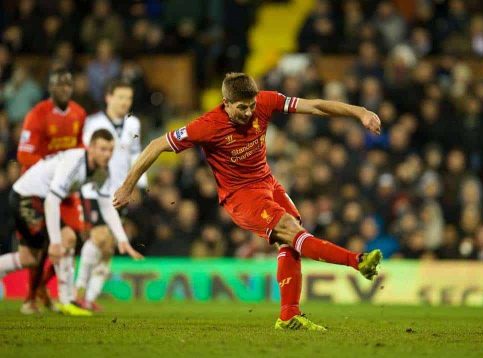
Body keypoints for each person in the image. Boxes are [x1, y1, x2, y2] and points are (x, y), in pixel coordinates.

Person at [113, 73, 383, 330]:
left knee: (291, 237)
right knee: (291, 230)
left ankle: (289, 315)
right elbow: (156, 145)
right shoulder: (207, 125)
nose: (248, 112)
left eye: (251, 106)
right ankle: (356, 261)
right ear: (226, 104)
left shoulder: (263, 101)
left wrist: (360, 111)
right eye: (242, 107)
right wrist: (127, 187)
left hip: (267, 183)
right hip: (240, 196)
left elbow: (315, 107)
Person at [0, 129, 143, 315]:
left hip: (41, 200)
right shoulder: (75, 162)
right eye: (102, 149)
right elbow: (52, 200)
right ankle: (66, 300)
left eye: (110, 150)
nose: (107, 154)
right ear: (90, 148)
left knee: (41, 252)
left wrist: (122, 239)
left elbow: (107, 205)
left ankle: (67, 300)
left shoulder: (101, 171)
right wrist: (55, 242)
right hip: (26, 198)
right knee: (53, 246)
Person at [16, 67, 87, 314]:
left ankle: (58, 295)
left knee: (71, 238)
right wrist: (52, 168)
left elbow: (79, 148)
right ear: (50, 87)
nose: (64, 88)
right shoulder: (37, 115)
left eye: (68, 84)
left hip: (65, 189)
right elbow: (23, 153)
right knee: (38, 248)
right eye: (59, 84)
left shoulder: (79, 113)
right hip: (38, 189)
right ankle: (30, 298)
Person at [76, 79, 146, 311]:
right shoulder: (92, 123)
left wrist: (139, 183)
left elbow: (135, 154)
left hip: (121, 192)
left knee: (109, 246)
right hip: (94, 189)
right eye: (121, 97)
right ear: (108, 97)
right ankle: (78, 291)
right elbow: (85, 155)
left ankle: (90, 298)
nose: (125, 102)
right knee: (99, 237)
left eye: (129, 98)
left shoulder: (133, 124)